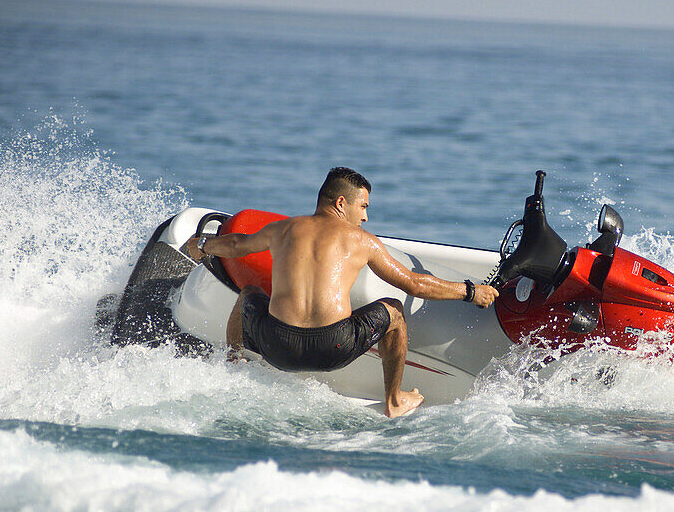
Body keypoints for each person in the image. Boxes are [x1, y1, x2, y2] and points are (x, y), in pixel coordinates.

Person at [184, 167, 499, 418]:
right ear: (340, 203)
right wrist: (471, 292)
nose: (365, 217)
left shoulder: (284, 229)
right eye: (363, 206)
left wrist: (201, 246)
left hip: (277, 344)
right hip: (332, 347)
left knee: (248, 294)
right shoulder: (363, 241)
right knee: (393, 311)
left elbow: (237, 245)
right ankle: (393, 400)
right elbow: (414, 283)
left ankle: (232, 367)